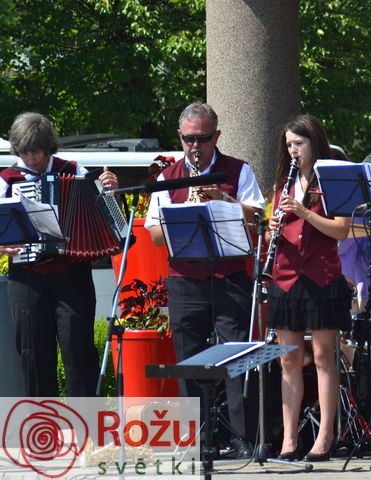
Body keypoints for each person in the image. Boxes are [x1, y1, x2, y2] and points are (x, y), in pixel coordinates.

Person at [145, 102, 265, 459]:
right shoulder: (169, 177)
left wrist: (223, 199)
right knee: (190, 360)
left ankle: (243, 438)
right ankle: (199, 439)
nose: (195, 146)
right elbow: (154, 233)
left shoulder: (238, 170)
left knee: (236, 356)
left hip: (230, 277)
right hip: (186, 279)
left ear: (217, 136)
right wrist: (186, 216)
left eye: (202, 138)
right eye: (188, 139)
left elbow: (258, 217)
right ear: (180, 137)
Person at [0, 112, 118, 396]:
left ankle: (85, 421)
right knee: (33, 353)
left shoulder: (75, 171)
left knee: (79, 350)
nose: (31, 158)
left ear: (48, 147)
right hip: (26, 276)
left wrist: (111, 191)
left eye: (36, 151)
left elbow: (113, 221)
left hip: (71, 273)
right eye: (24, 152)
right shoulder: (6, 180)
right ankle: (41, 421)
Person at [265, 114, 353, 462]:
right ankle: (289, 438)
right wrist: (272, 230)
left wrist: (303, 211)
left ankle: (325, 435)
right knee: (288, 359)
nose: (293, 150)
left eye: (299, 144)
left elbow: (341, 230)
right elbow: (274, 231)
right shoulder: (282, 184)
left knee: (322, 356)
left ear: (315, 143)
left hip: (321, 277)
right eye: (288, 145)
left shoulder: (333, 180)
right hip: (285, 277)